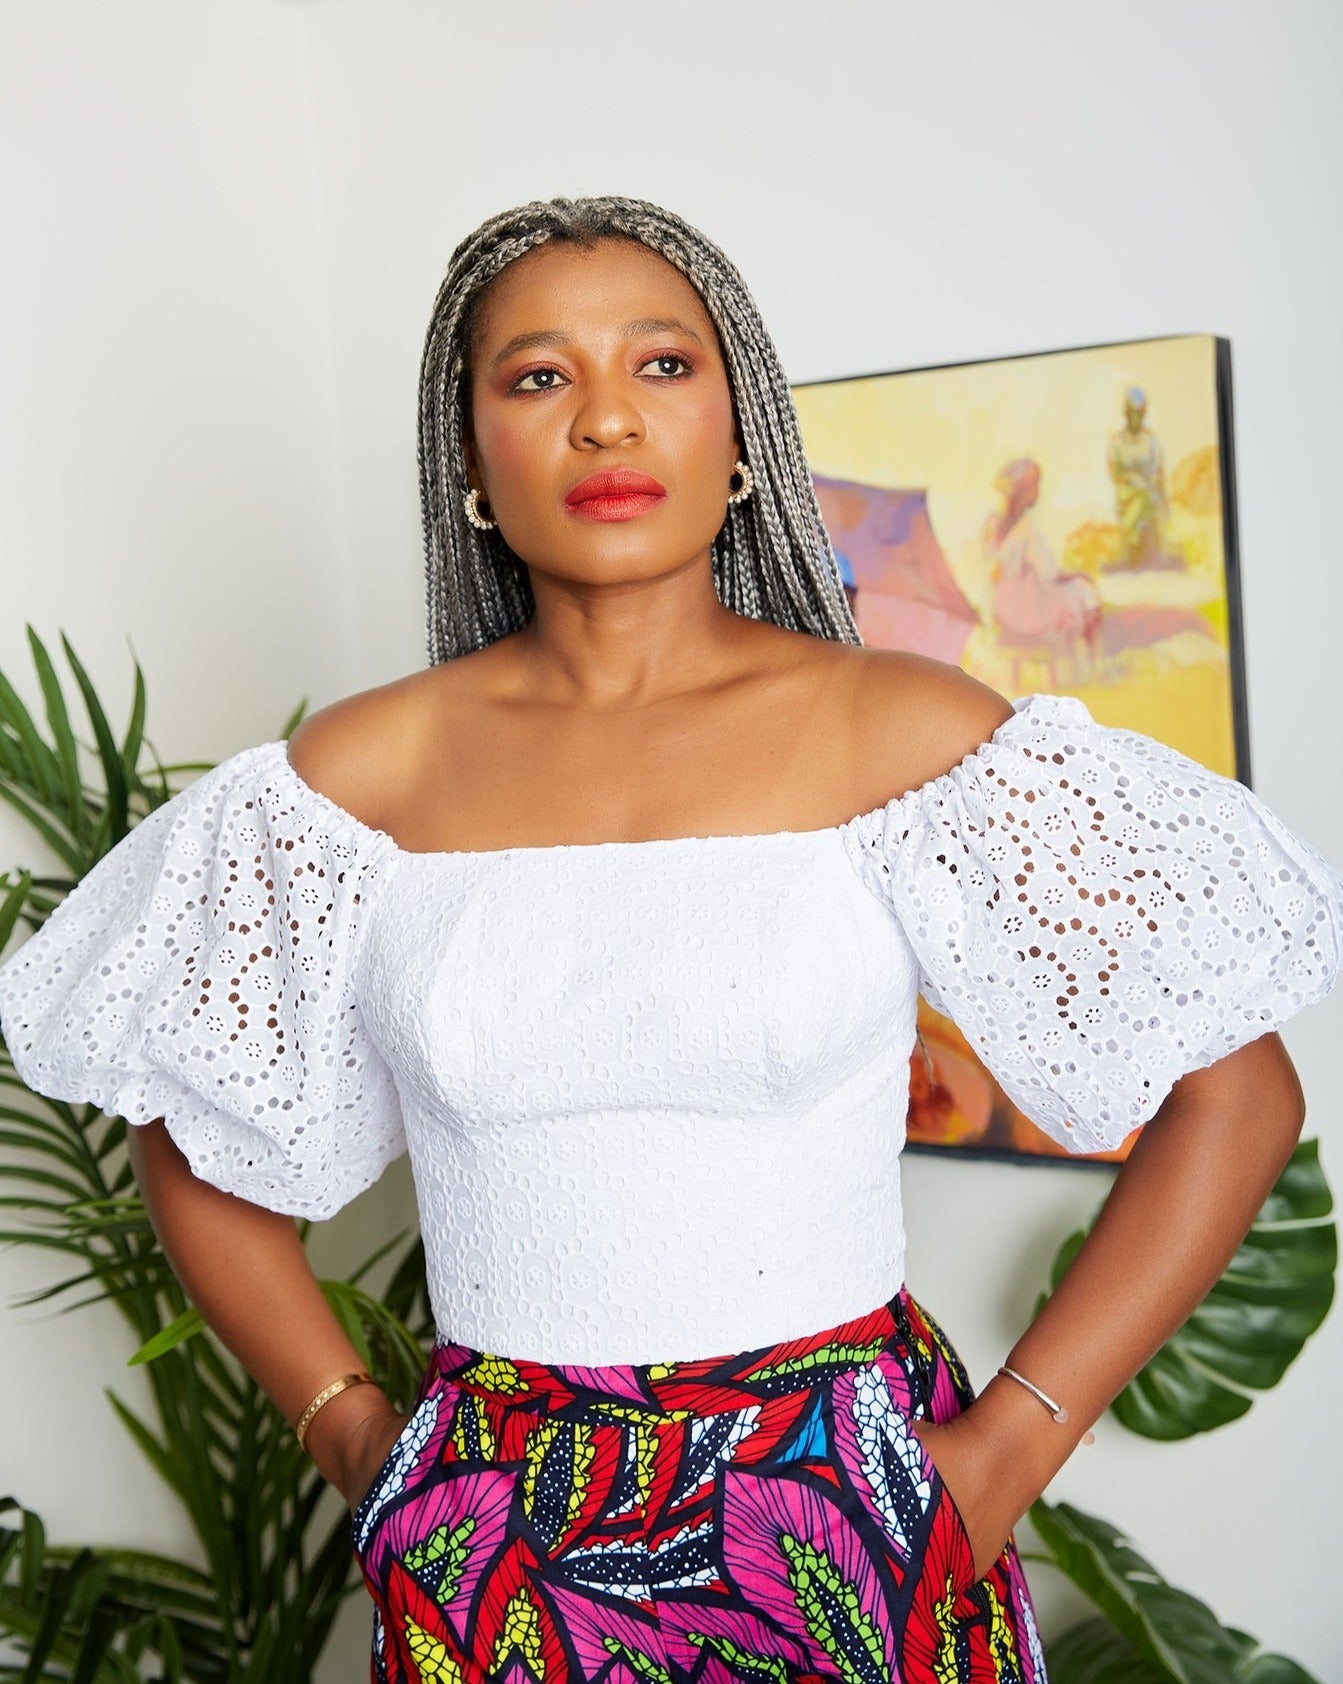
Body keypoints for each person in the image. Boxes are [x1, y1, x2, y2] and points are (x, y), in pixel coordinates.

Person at [0, 196, 1340, 1684]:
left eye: (660, 364)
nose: (603, 420)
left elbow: (1239, 1095)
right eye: (536, 376)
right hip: (495, 1527)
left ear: (738, 426)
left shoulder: (905, 732)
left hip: (850, 1506)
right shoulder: (351, 782)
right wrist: (359, 1441)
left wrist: (1005, 1452)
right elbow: (185, 1128)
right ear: (467, 461)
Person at [984, 457, 1102, 670]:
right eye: (1035, 486)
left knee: (1075, 593)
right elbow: (1049, 573)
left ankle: (1084, 665)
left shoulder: (992, 524)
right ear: (1024, 492)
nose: (1038, 493)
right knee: (1084, 591)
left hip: (1004, 609)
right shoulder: (1026, 528)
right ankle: (1090, 665)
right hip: (1028, 612)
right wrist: (1076, 575)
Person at [1107, 386, 1172, 569]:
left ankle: (1136, 544)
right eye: (1131, 413)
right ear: (1125, 413)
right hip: (1126, 494)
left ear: (1143, 413)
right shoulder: (1116, 441)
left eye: (1139, 413)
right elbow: (1114, 473)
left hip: (1149, 493)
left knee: (1145, 499)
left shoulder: (1151, 441)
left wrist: (1149, 485)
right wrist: (1132, 480)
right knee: (1136, 501)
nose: (1135, 417)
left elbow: (1158, 471)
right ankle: (1133, 544)